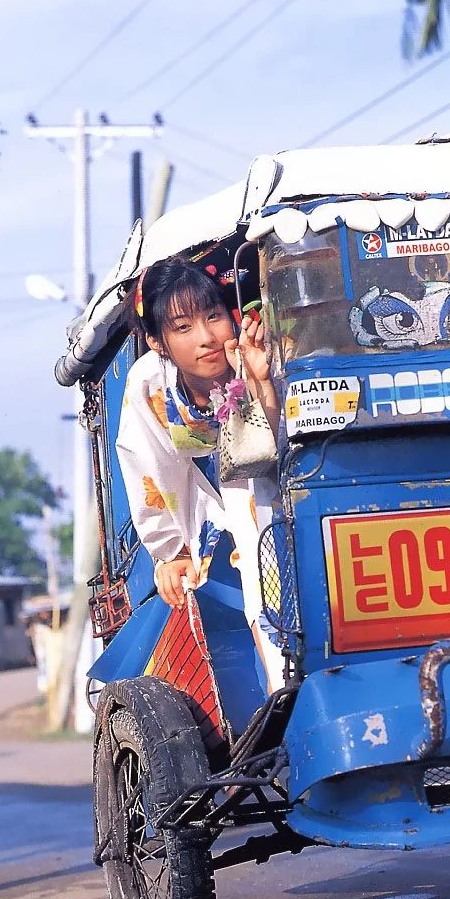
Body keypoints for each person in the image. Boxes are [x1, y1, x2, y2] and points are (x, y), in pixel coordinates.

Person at [115, 255, 285, 691]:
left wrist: (260, 380)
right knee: (255, 592)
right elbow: (150, 468)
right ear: (157, 340)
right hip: (207, 505)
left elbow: (276, 445)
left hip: (276, 493)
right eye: (183, 327)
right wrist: (171, 551)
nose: (207, 338)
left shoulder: (262, 353)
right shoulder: (149, 385)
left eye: (213, 316)